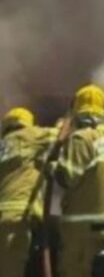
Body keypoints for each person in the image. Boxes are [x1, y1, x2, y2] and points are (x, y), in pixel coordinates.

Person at [55, 84, 104, 277]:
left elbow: (66, 177)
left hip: (80, 223)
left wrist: (53, 165)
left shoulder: (80, 139)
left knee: (72, 270)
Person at [0, 107, 56, 276]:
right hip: (17, 215)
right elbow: (59, 135)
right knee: (11, 267)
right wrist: (62, 123)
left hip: (4, 214)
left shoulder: (3, 145)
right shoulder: (28, 136)